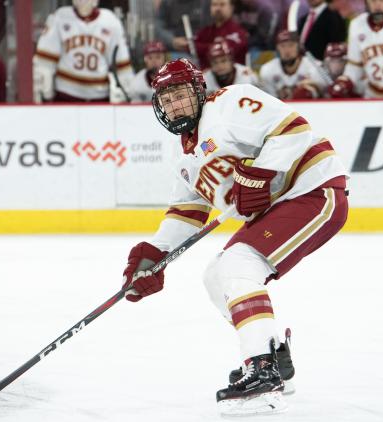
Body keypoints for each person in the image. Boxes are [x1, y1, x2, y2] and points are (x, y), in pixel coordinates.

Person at [121, 58, 348, 415]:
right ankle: (273, 357)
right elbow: (187, 210)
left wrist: (259, 173)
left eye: (180, 95)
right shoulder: (185, 158)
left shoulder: (230, 103)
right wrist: (154, 254)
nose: (174, 105)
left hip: (312, 189)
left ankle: (262, 371)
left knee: (237, 265)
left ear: (198, 91)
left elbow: (295, 129)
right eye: (166, 100)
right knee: (215, 277)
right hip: (281, 207)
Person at [33, 0, 133, 102]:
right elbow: (45, 61)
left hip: (99, 96)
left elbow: (122, 65)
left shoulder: (111, 21)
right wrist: (44, 90)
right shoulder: (60, 18)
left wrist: (127, 91)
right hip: (66, 95)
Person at [259, 30, 328, 100]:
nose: (287, 50)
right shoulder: (267, 69)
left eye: (291, 45)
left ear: (298, 47)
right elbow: (268, 100)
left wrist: (314, 86)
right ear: (277, 48)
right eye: (282, 46)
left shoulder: (315, 66)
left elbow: (324, 95)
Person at [195, 0, 249, 69]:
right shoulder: (205, 31)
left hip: (234, 77)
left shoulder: (238, 31)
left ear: (231, 8)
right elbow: (194, 47)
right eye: (214, 5)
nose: (218, 8)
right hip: (207, 76)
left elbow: (227, 50)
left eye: (222, 4)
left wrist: (205, 47)